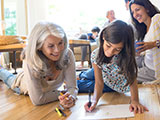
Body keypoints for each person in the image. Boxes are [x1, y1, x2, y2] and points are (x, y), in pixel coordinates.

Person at [0, 21, 78, 108]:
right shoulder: (30, 58)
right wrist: (61, 93)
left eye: (60, 43)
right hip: (21, 85)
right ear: (39, 46)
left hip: (48, 91)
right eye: (51, 46)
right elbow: (38, 100)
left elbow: (72, 88)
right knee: (6, 75)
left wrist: (71, 97)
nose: (57, 50)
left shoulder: (67, 54)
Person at [77, 20, 148, 113]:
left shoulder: (127, 56)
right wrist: (94, 101)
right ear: (103, 37)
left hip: (112, 85)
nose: (110, 52)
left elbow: (132, 81)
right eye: (108, 45)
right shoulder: (96, 54)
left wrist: (135, 100)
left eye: (117, 49)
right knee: (89, 74)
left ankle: (81, 77)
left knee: (79, 85)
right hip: (103, 73)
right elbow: (99, 82)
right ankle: (81, 75)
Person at [129, 0, 160, 83]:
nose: (135, 15)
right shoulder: (144, 29)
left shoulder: (157, 19)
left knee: (125, 77)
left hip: (153, 71)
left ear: (147, 9)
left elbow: (155, 44)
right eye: (132, 13)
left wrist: (154, 44)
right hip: (145, 63)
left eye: (137, 10)